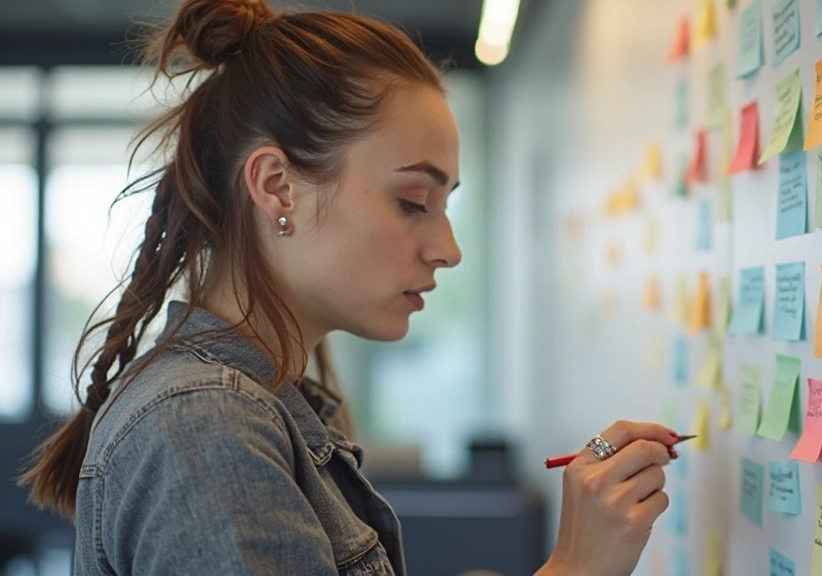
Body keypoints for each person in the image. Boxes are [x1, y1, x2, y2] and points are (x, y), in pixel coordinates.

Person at [18, 0, 682, 574]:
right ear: (278, 187)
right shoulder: (208, 423)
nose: (447, 249)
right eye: (413, 201)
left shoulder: (255, 406)